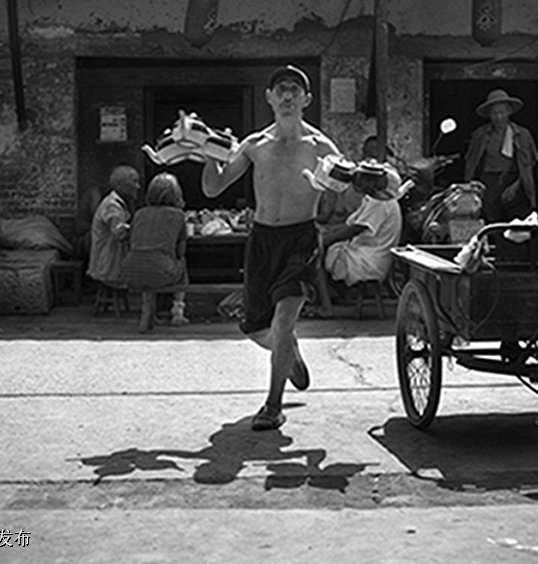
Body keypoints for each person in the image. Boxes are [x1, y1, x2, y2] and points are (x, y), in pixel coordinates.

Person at [201, 64, 341, 431]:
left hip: (301, 240)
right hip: (262, 240)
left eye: (295, 89)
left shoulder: (321, 147)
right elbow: (213, 188)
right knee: (256, 327)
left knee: (283, 320)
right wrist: (210, 152)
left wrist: (335, 184)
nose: (288, 95)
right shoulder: (254, 145)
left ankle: (273, 405)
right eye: (281, 89)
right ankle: (288, 351)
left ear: (307, 99)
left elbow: (343, 187)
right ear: (269, 98)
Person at [320, 161, 403, 299]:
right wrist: (326, 232)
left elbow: (354, 229)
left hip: (370, 260)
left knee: (319, 252)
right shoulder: (373, 200)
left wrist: (324, 240)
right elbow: (349, 225)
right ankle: (333, 293)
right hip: (365, 251)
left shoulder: (380, 202)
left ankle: (326, 299)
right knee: (325, 245)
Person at [121, 173, 191, 333]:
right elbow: (180, 251)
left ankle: (147, 313)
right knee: (181, 264)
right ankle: (178, 311)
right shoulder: (178, 215)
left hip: (130, 270)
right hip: (160, 271)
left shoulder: (139, 213)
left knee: (147, 265)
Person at [464, 88, 538, 222]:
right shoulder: (480, 135)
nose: (498, 117)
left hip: (514, 181)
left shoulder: (522, 135)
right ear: (489, 115)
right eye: (494, 113)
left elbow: (528, 166)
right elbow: (471, 164)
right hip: (488, 183)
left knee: (516, 223)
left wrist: (516, 186)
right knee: (491, 221)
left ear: (509, 111)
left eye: (502, 112)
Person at [87, 165, 142, 293]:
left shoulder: (118, 203)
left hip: (112, 262)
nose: (138, 187)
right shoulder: (111, 206)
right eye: (134, 182)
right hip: (109, 266)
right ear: (122, 185)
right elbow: (120, 233)